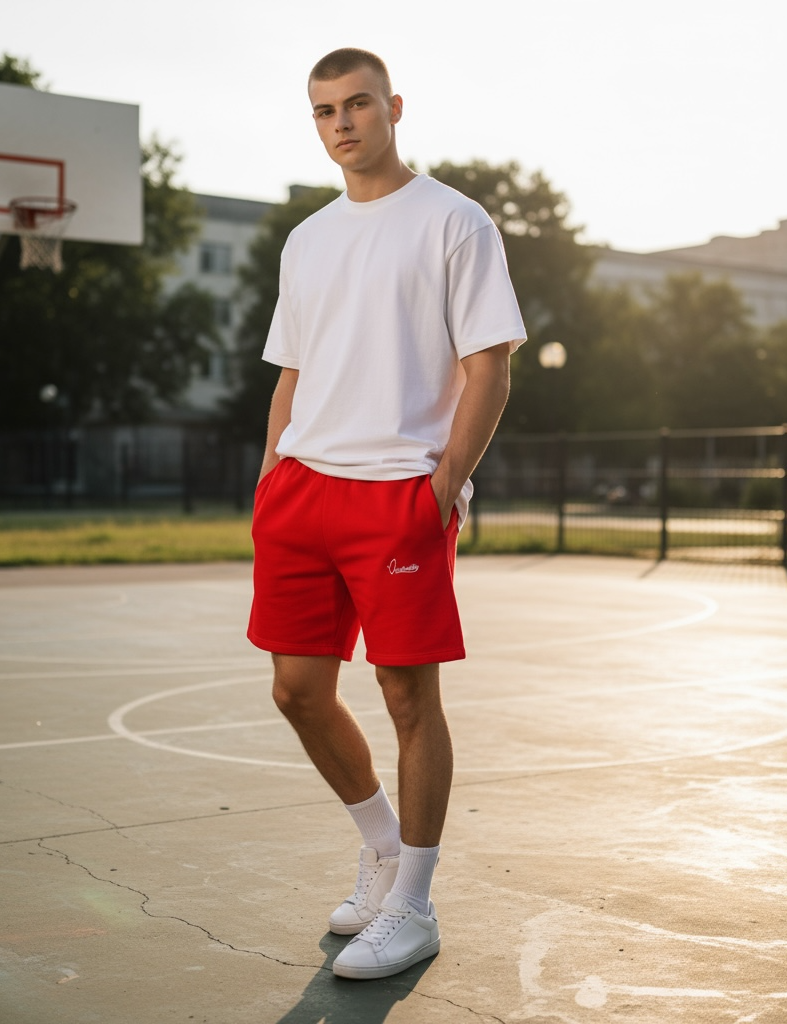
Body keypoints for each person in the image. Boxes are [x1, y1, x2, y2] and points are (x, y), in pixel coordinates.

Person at [247, 48, 526, 981]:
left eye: (357, 103)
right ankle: (378, 850)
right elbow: (292, 367)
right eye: (324, 109)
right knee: (296, 691)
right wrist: (271, 466)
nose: (342, 123)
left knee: (409, 698)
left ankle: (413, 902)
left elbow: (490, 365)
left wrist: (441, 486)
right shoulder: (308, 238)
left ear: (393, 107)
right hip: (302, 492)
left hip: (399, 494)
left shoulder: (455, 221)